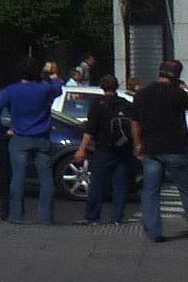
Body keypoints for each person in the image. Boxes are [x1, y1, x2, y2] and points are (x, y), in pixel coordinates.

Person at [0, 64, 61, 224]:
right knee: (46, 178)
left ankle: (16, 216)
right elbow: (58, 88)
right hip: (42, 137)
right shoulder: (45, 89)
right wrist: (54, 75)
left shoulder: (11, 90)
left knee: (18, 177)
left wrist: (3, 129)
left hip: (19, 136)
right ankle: (45, 217)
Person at [134, 58, 188, 242]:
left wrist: (138, 143)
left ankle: (153, 232)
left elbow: (135, 122)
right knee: (185, 189)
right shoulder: (179, 95)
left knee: (151, 191)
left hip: (150, 149)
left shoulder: (142, 94)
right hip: (176, 148)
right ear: (177, 75)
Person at [75, 70, 137, 227]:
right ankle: (117, 218)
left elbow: (90, 130)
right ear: (116, 87)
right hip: (124, 149)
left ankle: (92, 217)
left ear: (102, 87)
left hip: (104, 148)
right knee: (120, 184)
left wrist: (82, 149)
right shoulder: (126, 104)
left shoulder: (98, 104)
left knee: (98, 184)